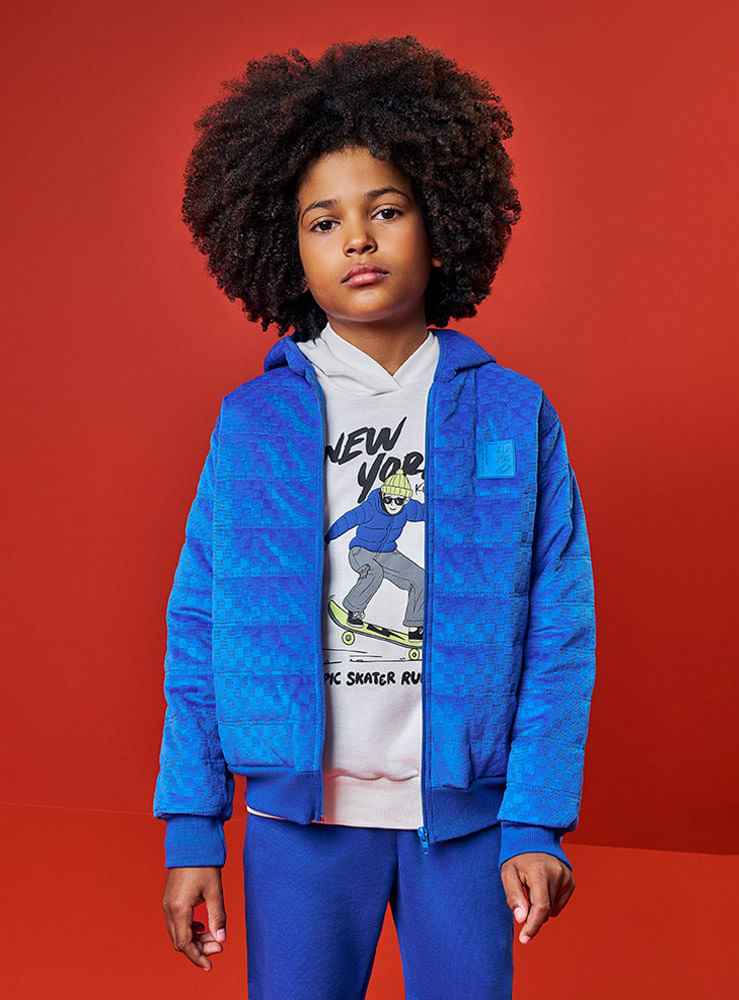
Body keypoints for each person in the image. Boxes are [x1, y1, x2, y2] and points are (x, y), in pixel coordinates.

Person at [154, 35, 596, 1000]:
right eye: (324, 221)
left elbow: (559, 628)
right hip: (297, 826)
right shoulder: (253, 423)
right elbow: (199, 621)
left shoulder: (512, 413)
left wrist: (534, 820)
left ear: (441, 226)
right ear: (288, 249)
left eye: (385, 210)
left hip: (469, 826)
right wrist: (193, 827)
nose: (357, 238)